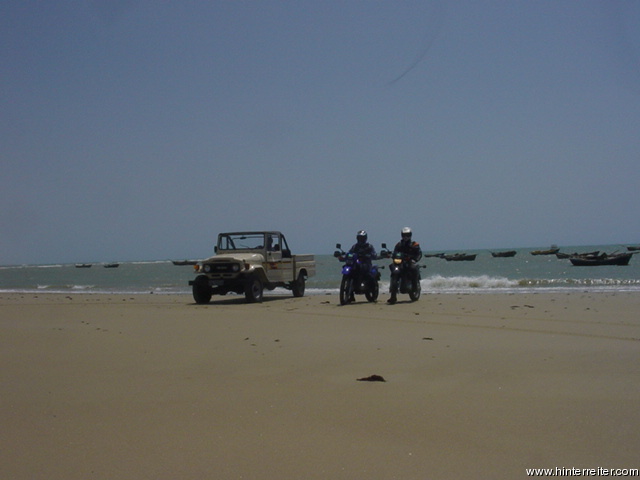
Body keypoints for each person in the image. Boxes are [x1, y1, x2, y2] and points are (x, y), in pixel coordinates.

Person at [387, 227, 422, 304]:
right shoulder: (399, 244)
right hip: (400, 262)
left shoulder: (414, 244)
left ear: (410, 235)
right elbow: (395, 253)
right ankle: (393, 296)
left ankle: (415, 287)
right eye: (404, 235)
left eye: (407, 235)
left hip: (410, 262)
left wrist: (414, 259)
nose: (406, 237)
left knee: (413, 268)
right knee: (394, 271)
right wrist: (390, 255)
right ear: (401, 235)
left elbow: (419, 253)